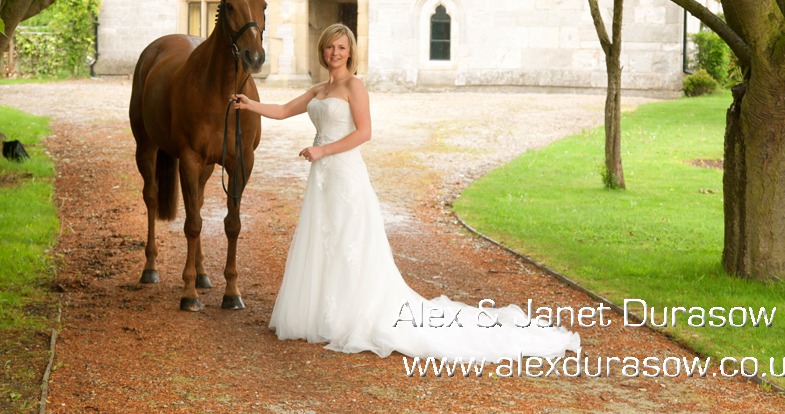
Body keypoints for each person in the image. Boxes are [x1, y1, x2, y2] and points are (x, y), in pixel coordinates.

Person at [231, 23, 580, 362]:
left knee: (350, 239)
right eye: (329, 46)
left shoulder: (355, 87)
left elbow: (364, 133)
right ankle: (324, 313)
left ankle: (352, 315)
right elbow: (281, 111)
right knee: (324, 239)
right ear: (322, 50)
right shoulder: (318, 90)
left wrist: (322, 150)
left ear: (350, 51)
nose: (335, 52)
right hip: (322, 179)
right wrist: (249, 104)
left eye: (341, 46)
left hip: (346, 174)